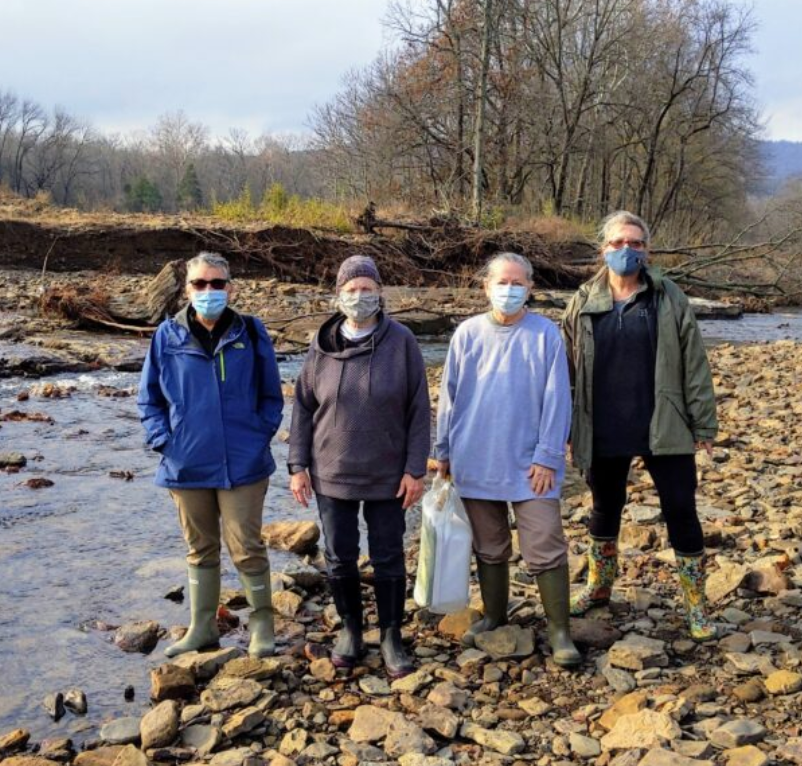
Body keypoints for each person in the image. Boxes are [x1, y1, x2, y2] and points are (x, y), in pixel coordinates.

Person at [561, 210, 719, 641]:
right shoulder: (582, 301)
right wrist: (562, 428)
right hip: (603, 426)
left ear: (647, 250)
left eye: (635, 243)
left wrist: (703, 424)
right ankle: (598, 588)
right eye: (617, 243)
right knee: (603, 510)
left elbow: (694, 363)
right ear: (603, 250)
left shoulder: (668, 298)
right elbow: (565, 371)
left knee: (681, 510)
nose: (626, 251)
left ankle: (695, 604)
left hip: (665, 424)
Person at [435, 252, 581, 668]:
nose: (510, 290)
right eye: (502, 282)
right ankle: (495, 615)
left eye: (519, 283)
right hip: (474, 457)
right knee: (490, 545)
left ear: (531, 288)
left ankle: (559, 630)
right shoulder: (466, 334)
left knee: (544, 544)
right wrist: (443, 452)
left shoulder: (545, 334)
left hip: (531, 463)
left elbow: (558, 399)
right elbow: (449, 395)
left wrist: (548, 456)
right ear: (485, 287)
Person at [288, 255, 430, 678]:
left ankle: (390, 635)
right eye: (351, 290)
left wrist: (415, 469)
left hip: (389, 473)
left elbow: (419, 410)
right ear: (339, 295)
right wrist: (298, 465)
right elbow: (301, 406)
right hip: (331, 471)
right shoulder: (322, 344)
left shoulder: (401, 342)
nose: (359, 296)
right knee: (339, 556)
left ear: (380, 293)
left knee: (388, 556)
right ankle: (350, 629)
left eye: (367, 289)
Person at [138, 251, 284, 658]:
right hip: (186, 465)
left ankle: (262, 630)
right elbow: (149, 400)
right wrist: (164, 442)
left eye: (217, 284)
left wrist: (258, 437)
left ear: (230, 288)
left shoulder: (251, 333)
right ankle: (202, 629)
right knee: (200, 549)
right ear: (186, 289)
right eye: (199, 284)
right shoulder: (166, 337)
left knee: (247, 547)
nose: (208, 291)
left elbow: (272, 396)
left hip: (245, 464)